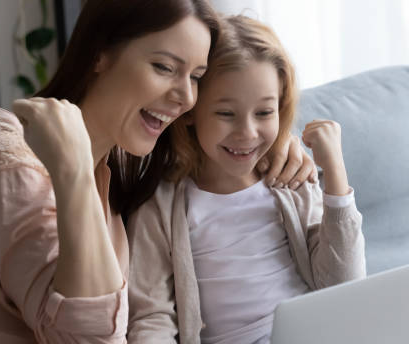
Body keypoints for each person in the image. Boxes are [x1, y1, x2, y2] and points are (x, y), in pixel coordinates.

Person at [0, 1, 316, 343]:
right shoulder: (7, 153)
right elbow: (87, 338)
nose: (186, 97)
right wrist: (74, 171)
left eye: (196, 77)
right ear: (100, 52)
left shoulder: (127, 154)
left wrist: (280, 143)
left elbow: (233, 111)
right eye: (165, 68)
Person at [127, 15, 367, 344]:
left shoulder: (291, 181)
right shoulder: (161, 203)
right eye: (226, 114)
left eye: (264, 113)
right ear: (191, 111)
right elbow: (152, 316)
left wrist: (336, 176)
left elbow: (345, 285)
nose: (247, 134)